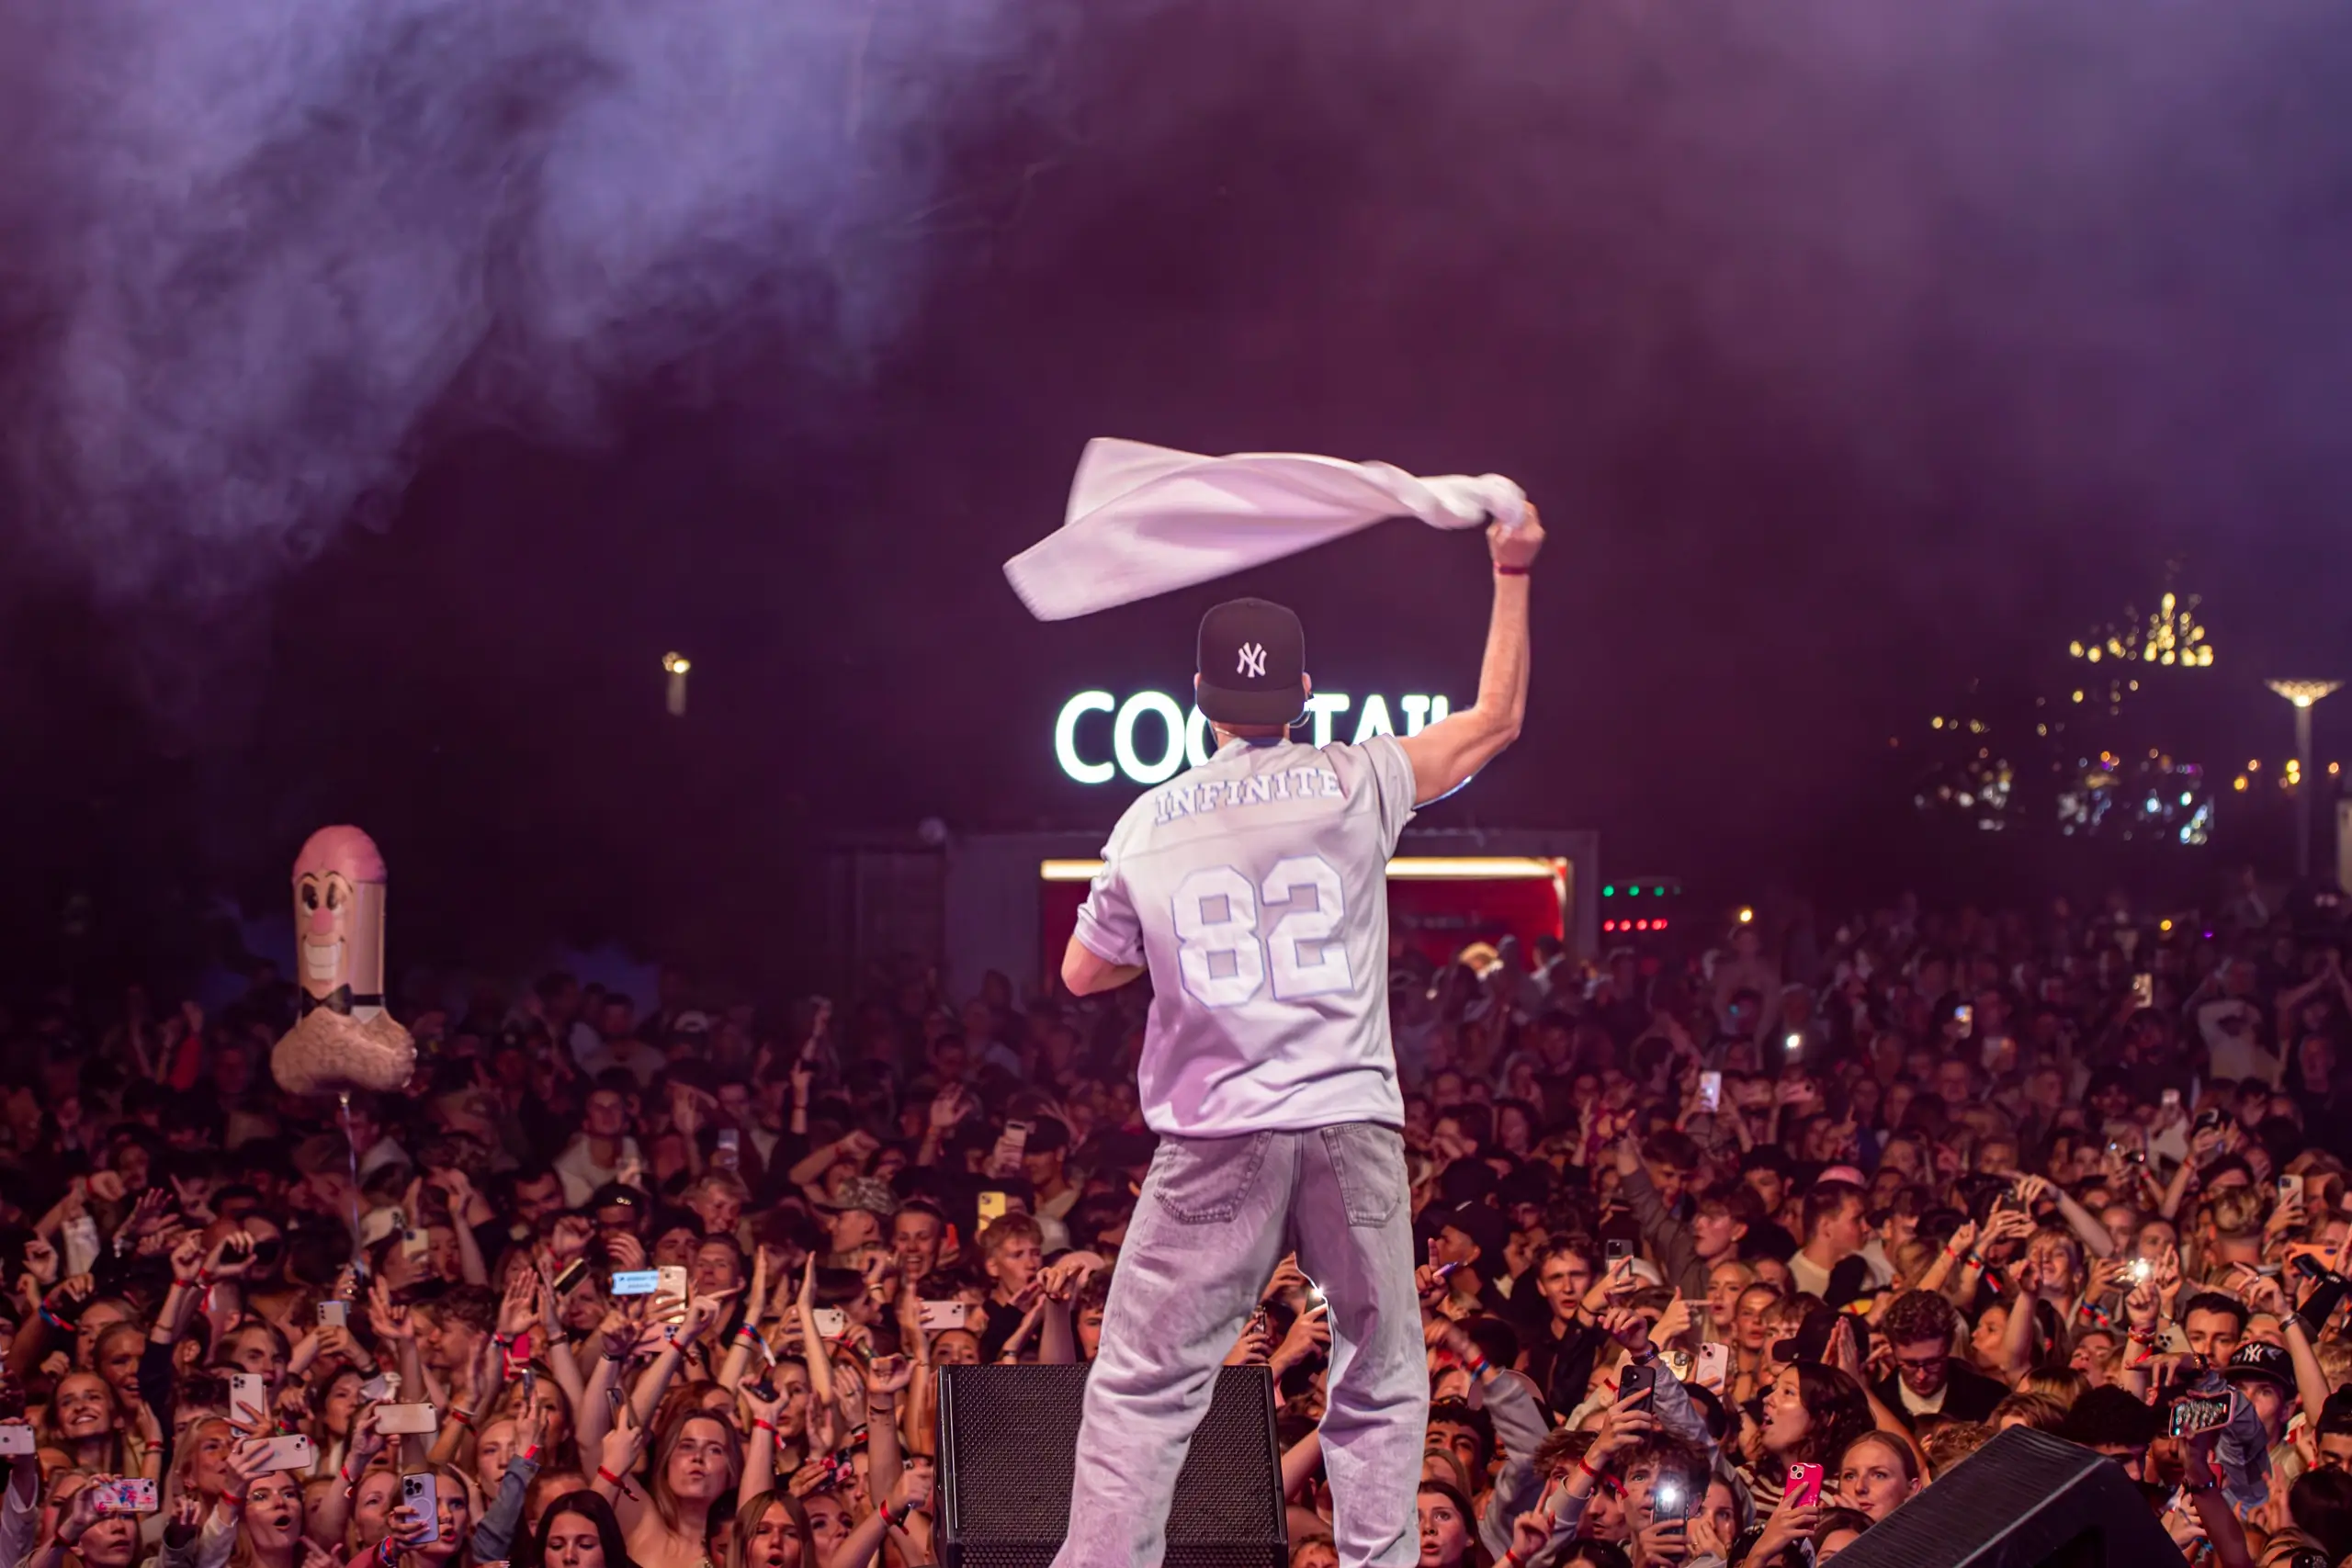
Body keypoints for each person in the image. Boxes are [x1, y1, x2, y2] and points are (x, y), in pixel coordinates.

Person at [1050, 506, 1545, 1567]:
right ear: (1304, 693)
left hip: (1216, 1135)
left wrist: (1173, 949)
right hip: (1348, 1122)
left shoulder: (1148, 822)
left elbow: (1082, 973)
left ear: (1200, 698)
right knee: (1381, 1370)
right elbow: (1494, 720)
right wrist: (1510, 570)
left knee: (1142, 1388)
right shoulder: (1355, 778)